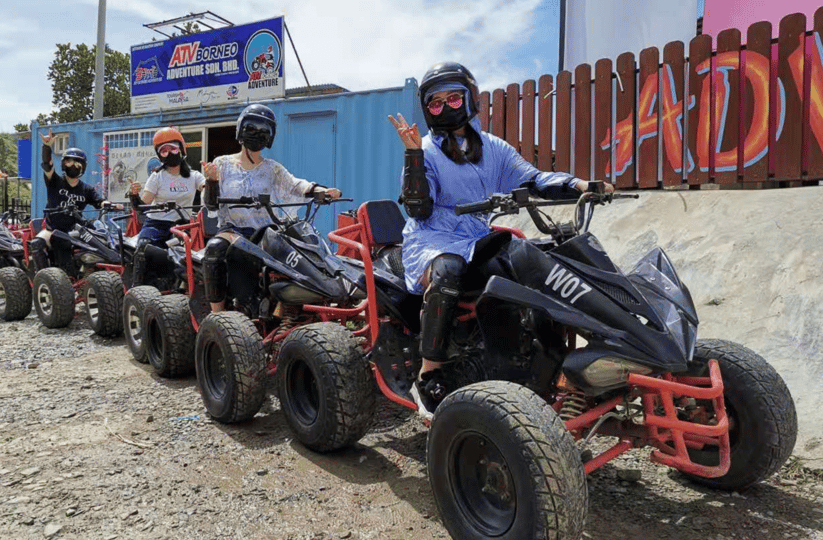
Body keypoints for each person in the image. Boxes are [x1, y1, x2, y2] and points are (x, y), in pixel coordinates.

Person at [388, 61, 615, 419]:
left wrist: (579, 185)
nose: (445, 107)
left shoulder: (493, 147)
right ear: (427, 110)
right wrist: (413, 154)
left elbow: (534, 179)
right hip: (434, 239)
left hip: (478, 236)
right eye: (435, 102)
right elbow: (418, 208)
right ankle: (429, 371)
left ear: (469, 98)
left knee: (541, 261)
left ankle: (564, 358)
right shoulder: (427, 150)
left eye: (452, 97)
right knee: (448, 271)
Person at [201, 104, 341, 314]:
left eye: (264, 130)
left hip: (266, 233)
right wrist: (212, 181)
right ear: (241, 130)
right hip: (233, 230)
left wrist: (319, 190)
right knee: (213, 249)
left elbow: (295, 185)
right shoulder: (222, 164)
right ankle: (217, 314)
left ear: (271, 136)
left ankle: (287, 309)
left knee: (302, 253)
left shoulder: (272, 168)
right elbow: (210, 204)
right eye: (252, 128)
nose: (258, 134)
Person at [31, 129, 123, 272]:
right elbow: (47, 165)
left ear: (83, 166)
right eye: (69, 161)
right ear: (63, 164)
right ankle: (44, 277)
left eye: (77, 163)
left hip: (77, 230)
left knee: (102, 243)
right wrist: (47, 147)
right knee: (37, 243)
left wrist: (109, 205)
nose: (73, 165)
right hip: (53, 229)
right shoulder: (55, 182)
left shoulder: (86, 189)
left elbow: (99, 201)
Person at [128, 126, 206, 286]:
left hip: (181, 226)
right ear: (159, 155)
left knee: (183, 257)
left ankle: (178, 288)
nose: (169, 154)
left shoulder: (194, 176)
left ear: (182, 149)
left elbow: (208, 191)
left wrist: (213, 179)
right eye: (164, 151)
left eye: (173, 149)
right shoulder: (157, 177)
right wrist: (134, 195)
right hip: (156, 224)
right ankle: (137, 291)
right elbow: (143, 206)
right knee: (142, 248)